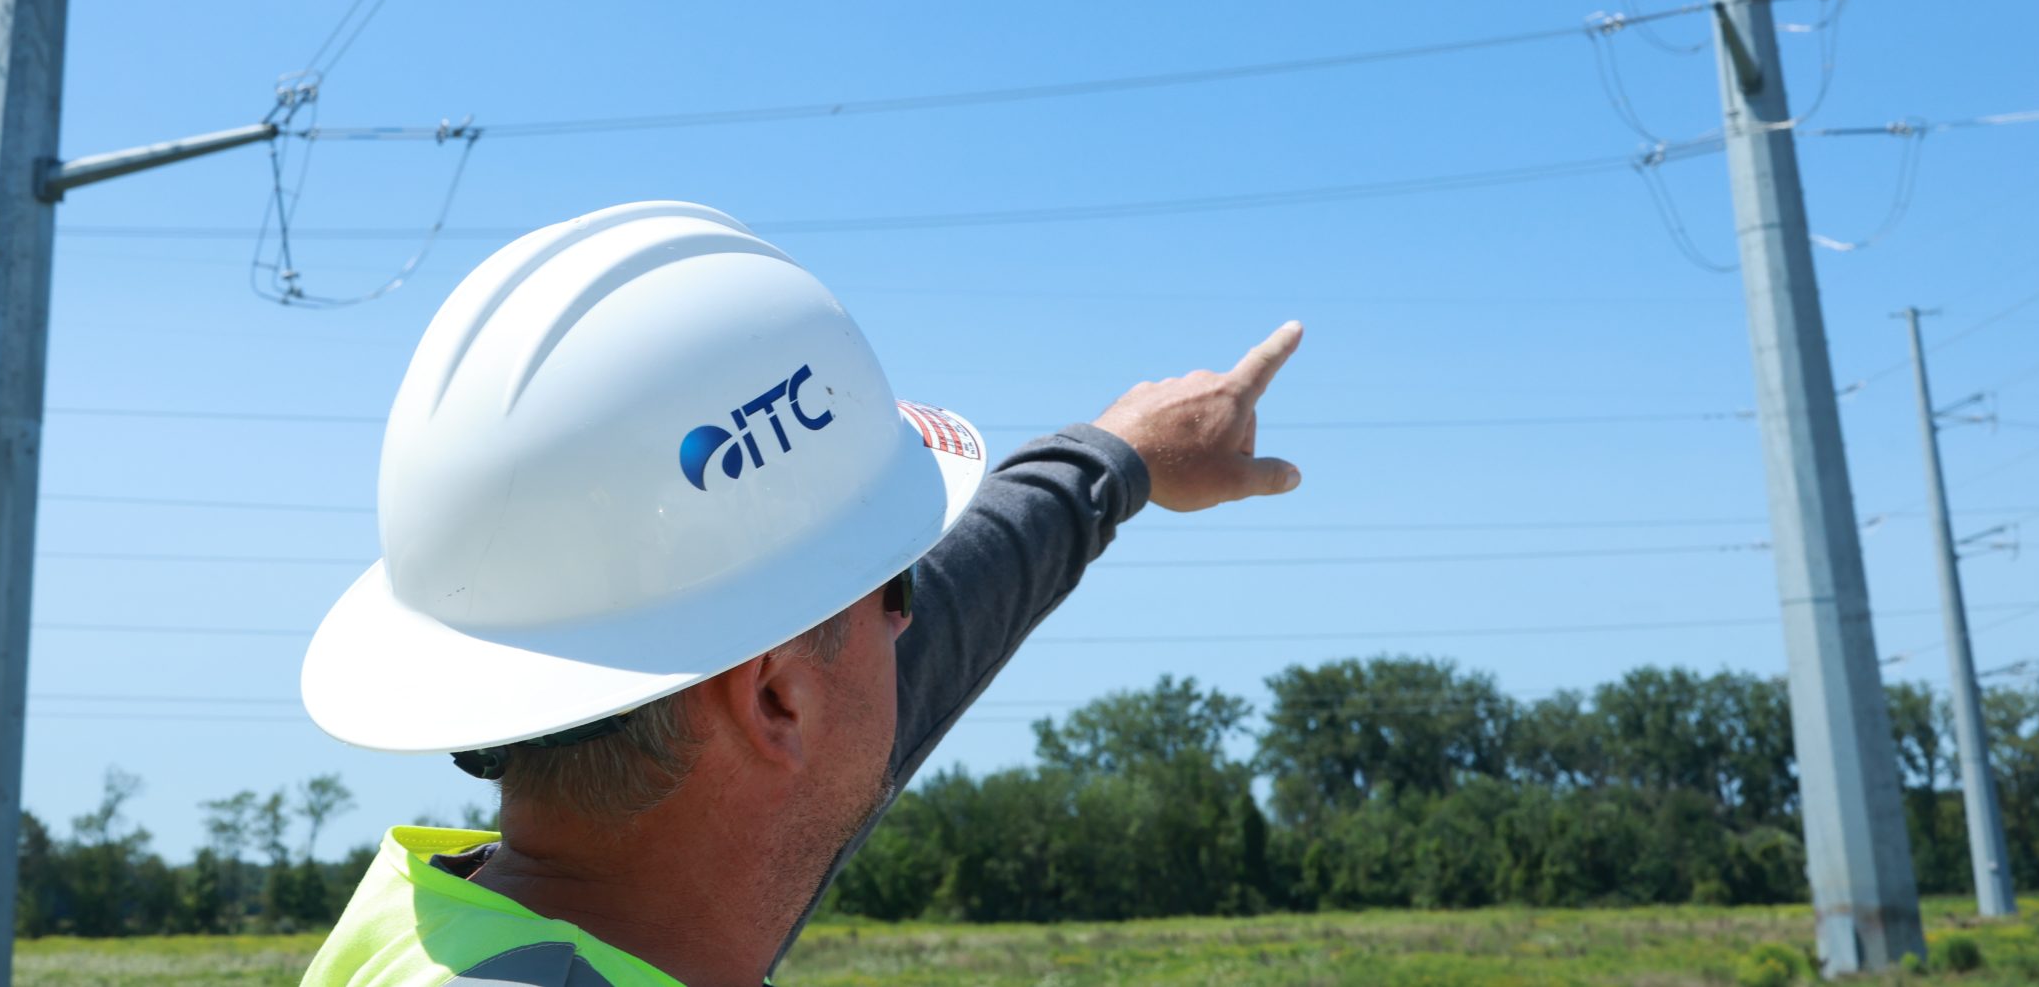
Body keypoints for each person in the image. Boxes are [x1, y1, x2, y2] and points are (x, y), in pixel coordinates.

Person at [297, 202, 1304, 987]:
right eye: (888, 585)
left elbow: (872, 674)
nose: (907, 621)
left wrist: (1112, 459)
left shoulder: (436, 925)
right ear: (777, 699)